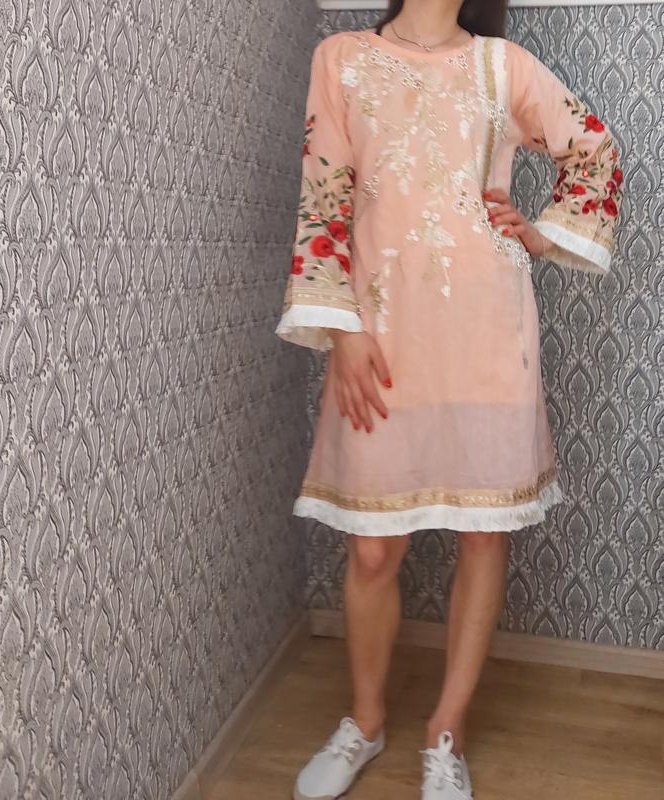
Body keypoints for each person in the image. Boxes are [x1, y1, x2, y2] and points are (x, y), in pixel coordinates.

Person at [275, 1, 622, 798]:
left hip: (488, 337)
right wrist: (342, 330)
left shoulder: (504, 66)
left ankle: (446, 732)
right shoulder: (342, 58)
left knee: (482, 535)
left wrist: (542, 232)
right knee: (372, 548)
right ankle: (366, 721)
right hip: (381, 338)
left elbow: (595, 149)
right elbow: (322, 199)